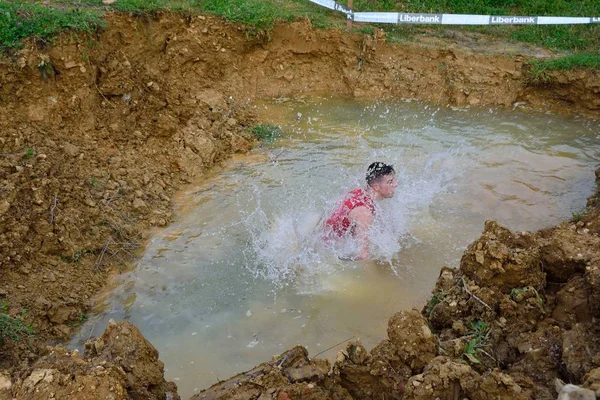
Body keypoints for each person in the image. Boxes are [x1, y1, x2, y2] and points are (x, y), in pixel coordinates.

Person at [323, 162, 398, 260]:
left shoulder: (357, 192)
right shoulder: (364, 212)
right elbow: (362, 255)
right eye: (390, 182)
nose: (395, 184)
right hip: (327, 252)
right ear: (376, 187)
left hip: (321, 239)